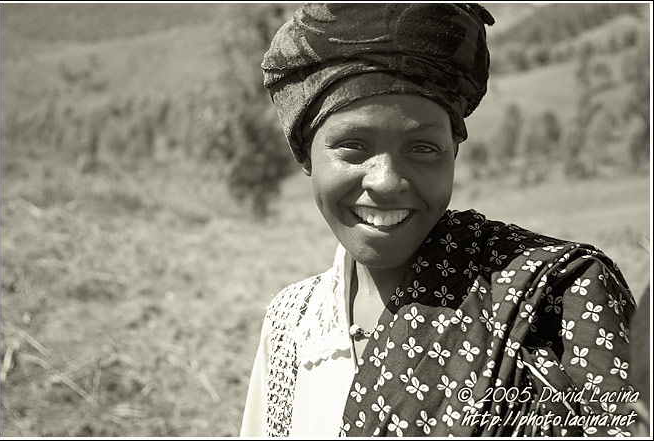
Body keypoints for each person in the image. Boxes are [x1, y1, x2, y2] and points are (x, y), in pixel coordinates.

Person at [240, 3, 640, 437]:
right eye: (353, 147)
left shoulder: (561, 298)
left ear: (454, 152)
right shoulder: (290, 325)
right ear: (306, 155)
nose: (387, 182)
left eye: (423, 148)